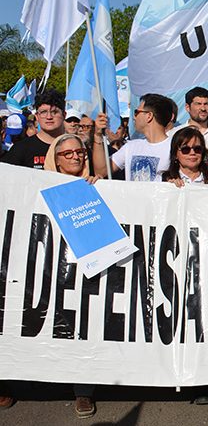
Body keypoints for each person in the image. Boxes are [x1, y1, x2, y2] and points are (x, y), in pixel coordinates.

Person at [41, 133, 99, 417]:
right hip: (50, 263)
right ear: (56, 159)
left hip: (85, 268)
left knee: (84, 325)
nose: (76, 157)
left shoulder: (97, 185)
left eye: (80, 152)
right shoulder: (38, 186)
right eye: (68, 154)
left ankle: (83, 390)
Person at [2, 90, 104, 173]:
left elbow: (99, 173)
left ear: (64, 115)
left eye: (54, 112)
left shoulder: (78, 146)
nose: (49, 117)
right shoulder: (21, 149)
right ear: (36, 116)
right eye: (43, 112)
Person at [108, 93, 173, 181]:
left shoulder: (175, 148)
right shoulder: (130, 146)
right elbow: (102, 170)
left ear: (149, 116)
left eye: (136, 112)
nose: (134, 118)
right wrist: (98, 135)